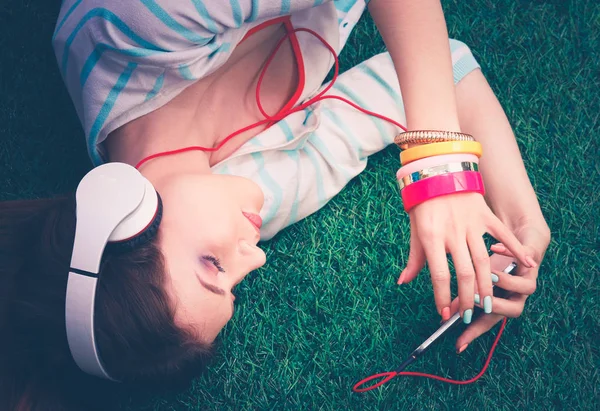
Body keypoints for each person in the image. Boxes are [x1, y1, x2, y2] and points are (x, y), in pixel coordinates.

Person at [0, 0, 551, 409]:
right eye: (233, 286)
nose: (253, 258)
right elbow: (445, 69)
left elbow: (431, 108)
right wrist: (524, 223)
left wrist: (438, 160)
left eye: (212, 265)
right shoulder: (256, 198)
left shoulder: (133, 25)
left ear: (122, 211)